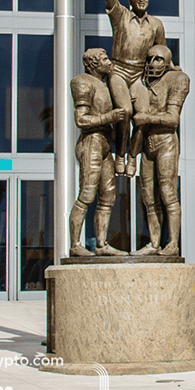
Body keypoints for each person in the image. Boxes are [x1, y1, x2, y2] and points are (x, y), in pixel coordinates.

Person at [96, 0, 166, 178]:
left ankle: (134, 156)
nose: (141, 0)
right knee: (125, 111)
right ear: (130, 0)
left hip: (139, 76)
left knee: (143, 116)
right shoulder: (121, 16)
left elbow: (162, 52)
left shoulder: (156, 24)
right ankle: (121, 154)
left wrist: (171, 69)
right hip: (119, 71)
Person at [129, 45, 189, 256]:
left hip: (165, 141)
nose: (153, 63)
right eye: (150, 59)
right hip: (147, 143)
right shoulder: (143, 82)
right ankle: (154, 243)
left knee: (167, 193)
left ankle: (172, 243)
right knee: (148, 196)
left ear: (166, 62)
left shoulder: (178, 79)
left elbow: (173, 119)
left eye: (158, 59)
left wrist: (147, 118)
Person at [68, 48, 128, 257]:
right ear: (92, 64)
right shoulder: (82, 82)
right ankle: (75, 245)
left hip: (104, 143)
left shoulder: (105, 84)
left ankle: (101, 244)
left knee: (108, 197)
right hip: (91, 140)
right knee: (86, 194)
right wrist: (109, 117)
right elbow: (81, 120)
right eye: (104, 59)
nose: (109, 62)